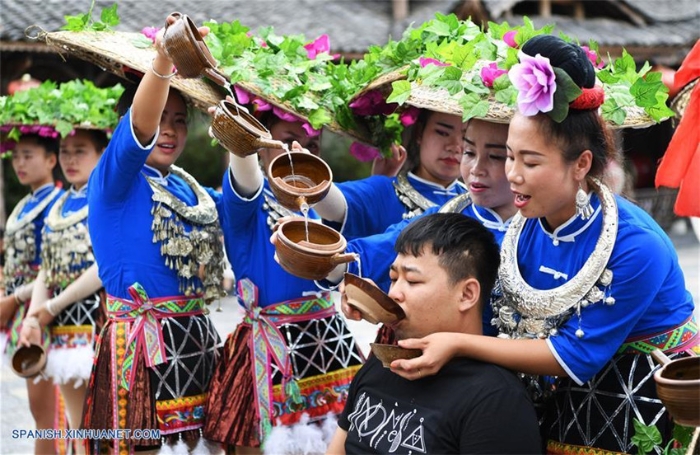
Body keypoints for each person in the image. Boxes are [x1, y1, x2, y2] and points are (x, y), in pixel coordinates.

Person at [389, 35, 697, 454]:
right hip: (561, 388)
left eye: (530, 162)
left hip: (639, 394)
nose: (513, 174)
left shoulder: (635, 246)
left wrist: (457, 344)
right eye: (509, 156)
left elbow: (574, 356)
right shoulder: (527, 222)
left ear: (581, 164)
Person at [80, 16, 225, 453]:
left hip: (197, 342)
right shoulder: (116, 176)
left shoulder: (187, 186)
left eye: (179, 120)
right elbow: (141, 129)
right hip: (143, 351)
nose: (169, 129)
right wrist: (164, 58)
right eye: (160, 117)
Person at [204, 95, 365, 455]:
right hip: (267, 349)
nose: (298, 152)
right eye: (287, 142)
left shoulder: (322, 210)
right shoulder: (246, 204)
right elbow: (245, 171)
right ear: (262, 147)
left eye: (311, 145)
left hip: (330, 344)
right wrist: (240, 134)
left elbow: (338, 210)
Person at [326, 213, 541, 454]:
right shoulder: (382, 363)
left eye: (413, 281)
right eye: (393, 278)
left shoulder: (496, 399)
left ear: (467, 294)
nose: (395, 293)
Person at [18, 93, 118, 453]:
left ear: (102, 155)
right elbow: (48, 266)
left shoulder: (106, 198)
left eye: (81, 151)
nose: (70, 159)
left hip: (99, 323)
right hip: (63, 327)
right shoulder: (60, 203)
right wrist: (33, 317)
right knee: (77, 427)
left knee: (104, 426)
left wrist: (53, 306)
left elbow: (106, 265)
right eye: (65, 151)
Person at [0, 121, 64, 455]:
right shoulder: (26, 203)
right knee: (40, 412)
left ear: (52, 160)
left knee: (48, 415)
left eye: (28, 155)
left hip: (44, 312)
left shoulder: (56, 204)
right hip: (20, 310)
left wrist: (14, 298)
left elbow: (53, 270)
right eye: (15, 157)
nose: (19, 163)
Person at [315, 108, 468, 240]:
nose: (454, 146)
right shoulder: (383, 190)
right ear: (419, 133)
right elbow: (330, 201)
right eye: (442, 132)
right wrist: (304, 172)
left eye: (466, 137)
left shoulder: (481, 206)